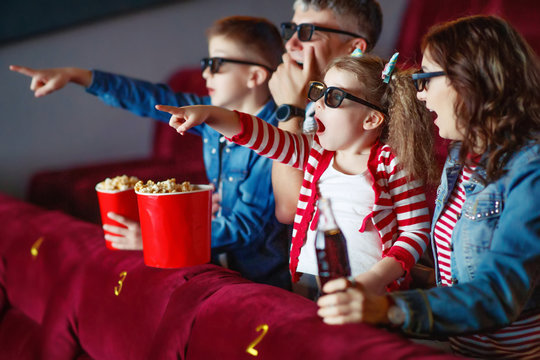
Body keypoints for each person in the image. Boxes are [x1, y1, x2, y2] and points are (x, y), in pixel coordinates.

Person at [10, 16, 292, 289]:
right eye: (206, 62)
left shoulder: (274, 137)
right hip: (224, 263)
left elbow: (247, 227)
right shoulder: (209, 120)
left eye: (217, 64)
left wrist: (156, 238)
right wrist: (79, 76)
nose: (205, 72)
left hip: (267, 279)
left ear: (254, 75)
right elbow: (151, 98)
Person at [317, 15, 540, 359]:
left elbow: (497, 293)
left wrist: (385, 307)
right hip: (460, 345)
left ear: (469, 81)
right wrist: (376, 276)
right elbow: (457, 273)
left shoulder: (531, 168)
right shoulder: (462, 155)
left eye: (425, 80)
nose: (420, 96)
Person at [158, 53, 439, 300]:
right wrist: (209, 114)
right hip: (308, 281)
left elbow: (414, 232)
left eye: (334, 97)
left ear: (371, 119)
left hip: (374, 291)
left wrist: (377, 278)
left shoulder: (393, 162)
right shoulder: (314, 151)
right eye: (319, 92)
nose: (318, 104)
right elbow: (259, 135)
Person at [269, 0, 383, 225]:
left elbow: (291, 209)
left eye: (307, 32)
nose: (291, 44)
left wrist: (291, 109)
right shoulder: (311, 100)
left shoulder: (363, 109)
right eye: (291, 30)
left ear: (355, 48)